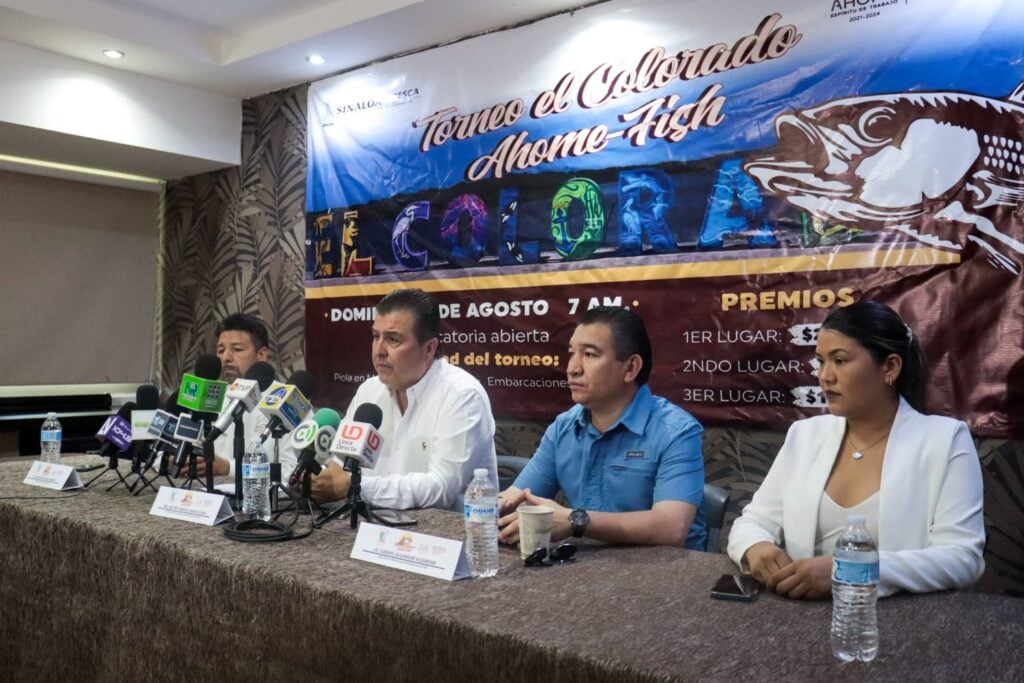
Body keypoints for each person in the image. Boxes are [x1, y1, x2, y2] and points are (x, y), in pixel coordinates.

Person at [727, 301, 985, 599]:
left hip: (902, 623)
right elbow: (753, 521)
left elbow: (962, 559)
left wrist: (851, 570)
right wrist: (756, 547)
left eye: (840, 360)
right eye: (820, 361)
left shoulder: (945, 439)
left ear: (890, 367)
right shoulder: (805, 435)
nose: (825, 376)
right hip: (796, 617)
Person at [498, 306, 706, 549]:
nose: (572, 368)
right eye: (571, 354)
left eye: (589, 355)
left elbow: (671, 528)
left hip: (668, 573)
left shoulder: (677, 431)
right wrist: (487, 507)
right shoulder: (564, 427)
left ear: (630, 368)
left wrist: (576, 521)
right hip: (589, 568)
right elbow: (518, 495)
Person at [307, 288, 498, 511]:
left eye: (393, 340)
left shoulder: (462, 396)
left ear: (429, 349)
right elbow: (342, 465)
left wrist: (356, 487)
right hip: (375, 530)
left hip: (448, 537)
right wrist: (320, 479)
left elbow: (442, 489)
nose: (379, 351)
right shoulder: (370, 391)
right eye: (375, 336)